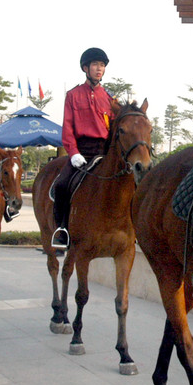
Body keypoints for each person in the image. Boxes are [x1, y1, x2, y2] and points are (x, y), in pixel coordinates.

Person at [50, 47, 116, 249]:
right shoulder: (73, 95)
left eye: (102, 65)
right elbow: (68, 127)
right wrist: (73, 153)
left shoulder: (109, 98)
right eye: (96, 65)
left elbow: (113, 129)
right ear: (85, 68)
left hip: (104, 151)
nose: (99, 69)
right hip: (81, 150)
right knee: (61, 185)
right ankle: (62, 230)